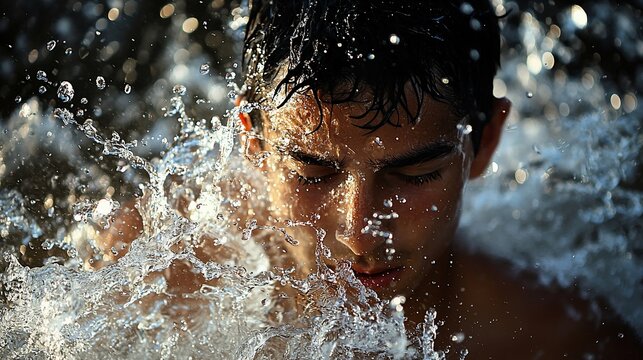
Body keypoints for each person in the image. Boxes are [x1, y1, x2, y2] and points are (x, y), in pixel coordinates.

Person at [103, 0, 641, 357]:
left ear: (485, 143)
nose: (359, 232)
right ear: (255, 142)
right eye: (313, 171)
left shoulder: (556, 340)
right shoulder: (151, 275)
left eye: (414, 174)